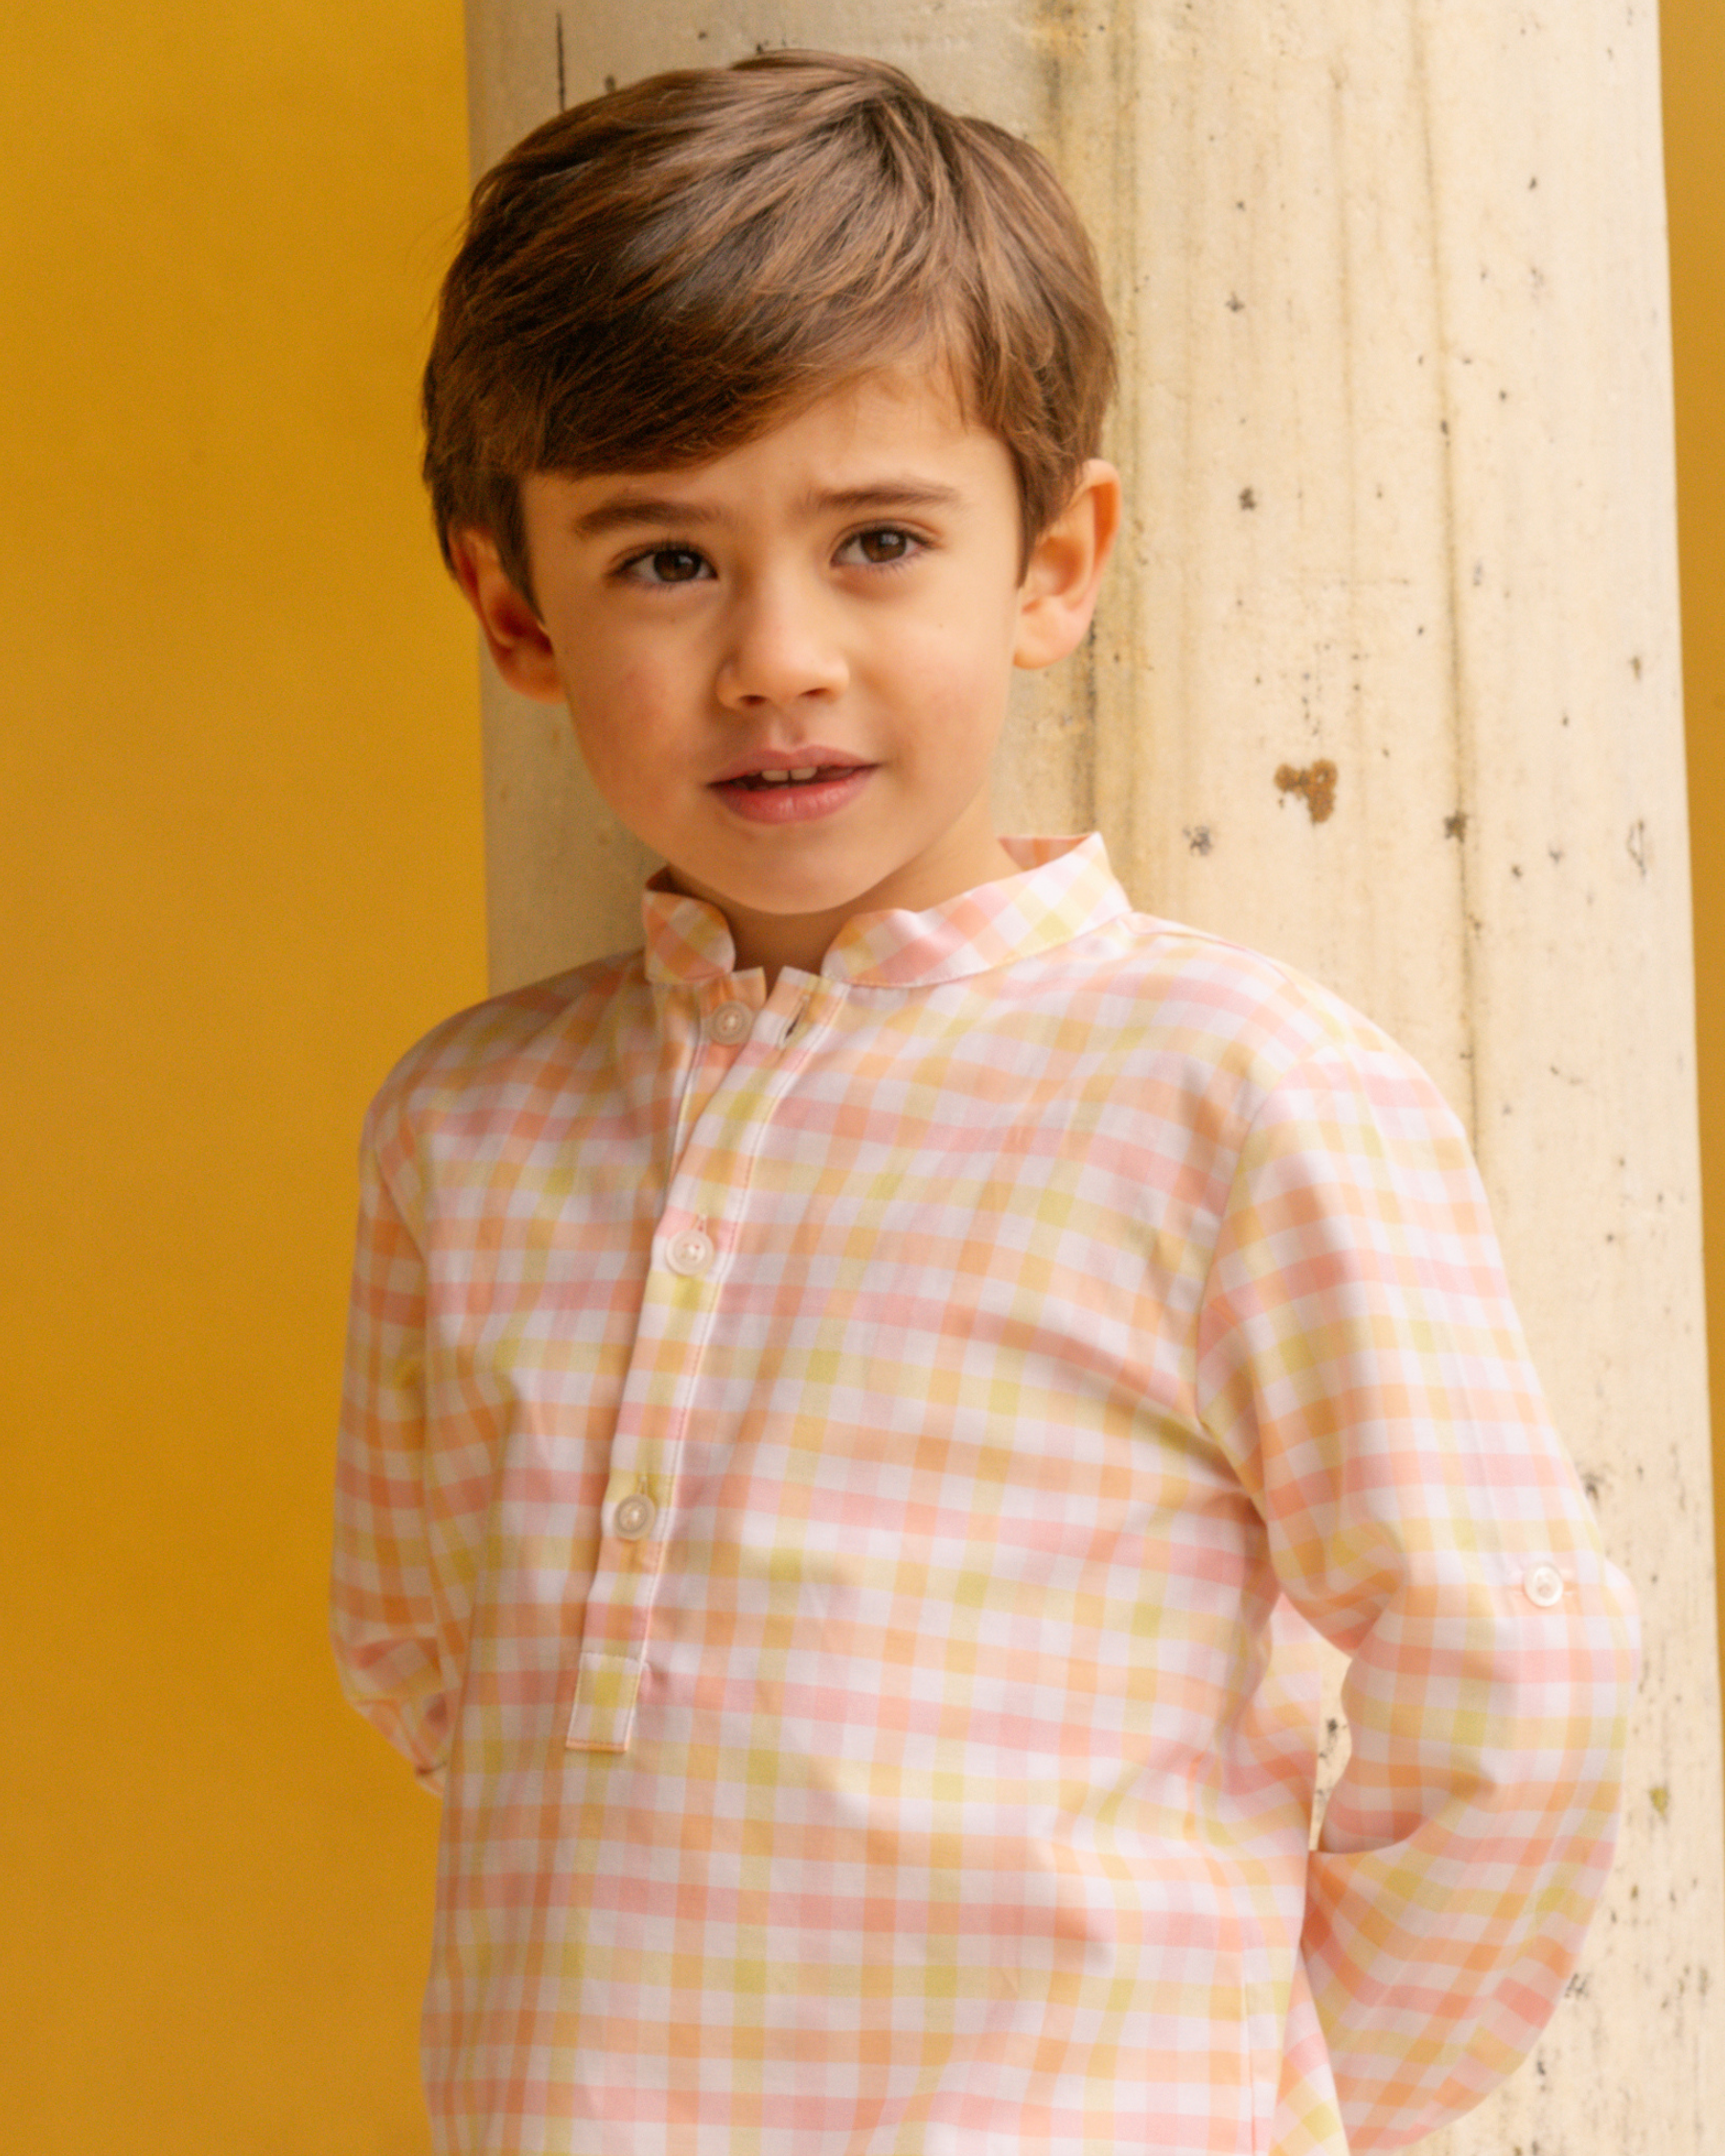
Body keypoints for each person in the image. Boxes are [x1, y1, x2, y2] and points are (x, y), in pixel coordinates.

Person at [331, 50, 1638, 2155]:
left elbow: (1517, 1677)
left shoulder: (1232, 1093)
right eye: (664, 560)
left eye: (876, 541)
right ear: (516, 607)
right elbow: (423, 1655)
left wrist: (1283, 2099)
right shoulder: (464, 1131)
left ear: (1051, 563)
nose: (778, 655)